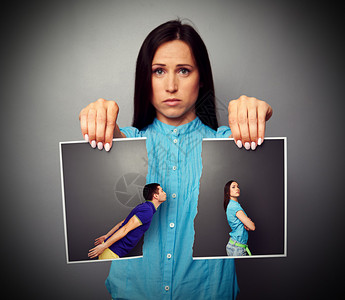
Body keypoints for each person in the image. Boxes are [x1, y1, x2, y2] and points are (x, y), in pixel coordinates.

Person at [79, 19, 272, 299]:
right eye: (159, 71)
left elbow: (252, 137)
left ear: (201, 77)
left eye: (183, 70)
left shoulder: (226, 143)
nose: (171, 85)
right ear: (146, 78)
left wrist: (256, 112)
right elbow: (113, 139)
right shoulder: (124, 142)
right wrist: (99, 117)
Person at [88, 183, 166, 260]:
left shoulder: (144, 207)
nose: (164, 193)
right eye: (162, 191)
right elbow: (125, 228)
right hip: (111, 252)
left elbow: (122, 223)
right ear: (155, 196)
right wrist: (104, 246)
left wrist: (107, 236)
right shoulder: (147, 210)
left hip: (110, 250)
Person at [224, 180, 255, 256]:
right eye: (233, 187)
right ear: (228, 192)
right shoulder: (234, 206)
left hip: (234, 245)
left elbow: (248, 226)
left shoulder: (232, 205)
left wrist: (247, 224)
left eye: (238, 187)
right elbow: (252, 227)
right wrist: (249, 223)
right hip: (237, 248)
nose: (237, 189)